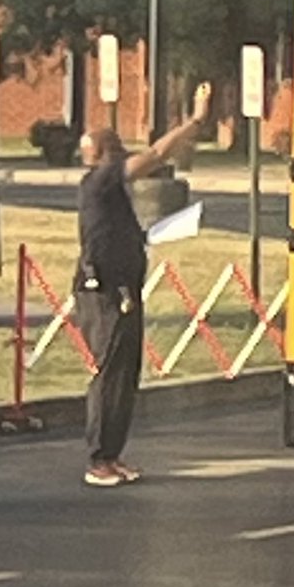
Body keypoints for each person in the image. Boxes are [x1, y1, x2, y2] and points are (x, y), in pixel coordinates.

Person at [74, 82, 212, 488]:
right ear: (108, 156)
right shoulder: (99, 181)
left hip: (124, 288)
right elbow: (155, 155)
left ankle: (113, 455)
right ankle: (98, 458)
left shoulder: (111, 190)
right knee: (108, 373)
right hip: (101, 290)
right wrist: (195, 120)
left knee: (126, 373)